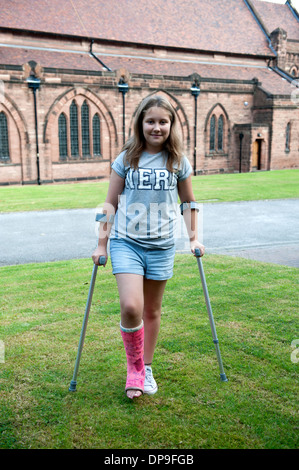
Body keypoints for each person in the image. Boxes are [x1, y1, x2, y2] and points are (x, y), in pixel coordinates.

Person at [92, 94, 204, 399]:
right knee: (132, 307)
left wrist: (193, 238)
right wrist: (101, 245)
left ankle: (146, 367)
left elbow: (189, 202)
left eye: (163, 122)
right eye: (150, 121)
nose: (157, 127)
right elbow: (109, 203)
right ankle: (135, 367)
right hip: (126, 242)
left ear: (171, 125)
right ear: (140, 123)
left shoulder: (178, 160)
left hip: (162, 244)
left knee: (152, 310)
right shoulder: (126, 157)